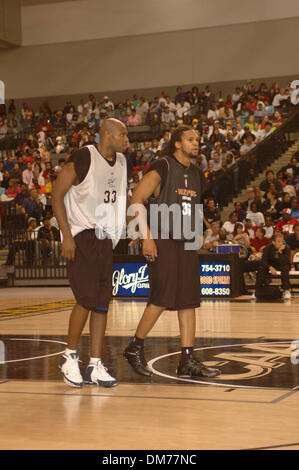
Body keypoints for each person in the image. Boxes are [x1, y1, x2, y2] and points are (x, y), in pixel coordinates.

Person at [123, 126, 220, 379]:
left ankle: (187, 359)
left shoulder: (197, 173)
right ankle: (135, 346)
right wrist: (146, 236)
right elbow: (136, 200)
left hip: (186, 242)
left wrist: (199, 232)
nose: (196, 143)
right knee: (161, 297)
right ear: (177, 143)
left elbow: (194, 206)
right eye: (190, 139)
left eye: (197, 140)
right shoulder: (162, 166)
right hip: (163, 240)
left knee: (188, 301)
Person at [52, 118, 130, 388]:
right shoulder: (84, 156)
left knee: (101, 303)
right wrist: (67, 235)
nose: (126, 139)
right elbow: (56, 194)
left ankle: (95, 363)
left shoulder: (121, 162)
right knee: (85, 299)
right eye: (123, 133)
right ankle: (69, 355)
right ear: (106, 134)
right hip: (82, 235)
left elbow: (118, 197)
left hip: (105, 238)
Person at [253, 232, 291, 300]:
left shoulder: (286, 248)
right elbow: (263, 261)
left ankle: (286, 290)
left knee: (286, 268)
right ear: (273, 242)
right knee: (261, 268)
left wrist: (280, 252)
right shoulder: (268, 248)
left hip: (281, 265)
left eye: (282, 241)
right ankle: (256, 291)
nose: (281, 243)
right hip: (270, 265)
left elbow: (286, 262)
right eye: (278, 241)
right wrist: (270, 267)